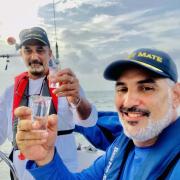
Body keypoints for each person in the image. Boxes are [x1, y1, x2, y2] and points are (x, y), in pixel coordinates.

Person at [16, 48, 180, 179]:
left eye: (146, 88)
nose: (129, 102)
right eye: (122, 89)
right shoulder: (121, 146)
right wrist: (45, 159)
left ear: (176, 95)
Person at [0, 27, 97, 179]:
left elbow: (89, 121)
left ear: (49, 53)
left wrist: (77, 99)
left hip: (61, 170)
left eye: (40, 50)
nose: (34, 56)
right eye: (28, 50)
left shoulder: (65, 84)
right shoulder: (9, 92)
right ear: (21, 54)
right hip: (21, 172)